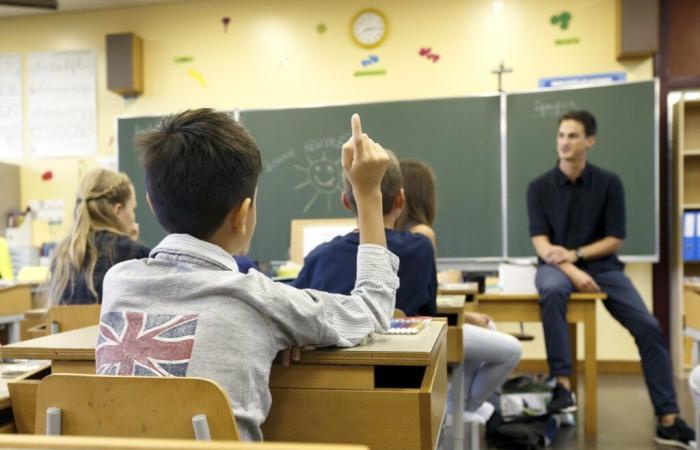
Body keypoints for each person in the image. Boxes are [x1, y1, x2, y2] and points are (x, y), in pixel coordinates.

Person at [96, 109, 399, 441]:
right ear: (242, 215)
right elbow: (371, 309)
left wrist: (273, 333)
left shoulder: (118, 281)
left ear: (152, 205)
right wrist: (369, 196)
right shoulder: (260, 300)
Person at [527, 110, 695, 448]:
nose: (564, 142)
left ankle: (668, 417)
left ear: (590, 141)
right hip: (556, 268)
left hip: (603, 267)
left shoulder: (609, 183)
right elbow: (541, 243)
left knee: (648, 326)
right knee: (551, 290)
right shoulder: (539, 187)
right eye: (561, 135)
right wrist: (571, 267)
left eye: (573, 136)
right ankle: (562, 386)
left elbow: (615, 238)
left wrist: (577, 256)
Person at [396, 158, 522, 424]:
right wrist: (466, 316)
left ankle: (462, 407)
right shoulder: (422, 235)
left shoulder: (388, 233)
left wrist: (466, 316)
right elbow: (427, 297)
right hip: (427, 331)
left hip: (408, 327)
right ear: (424, 195)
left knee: (478, 333)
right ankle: (461, 408)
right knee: (508, 348)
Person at [293, 151, 437, 316]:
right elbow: (430, 315)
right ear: (401, 199)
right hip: (402, 342)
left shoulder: (318, 258)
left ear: (346, 201)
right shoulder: (421, 249)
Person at [47, 168, 149, 305]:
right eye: (132, 209)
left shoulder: (61, 253)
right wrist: (132, 247)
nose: (133, 216)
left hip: (72, 327)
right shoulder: (135, 254)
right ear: (117, 210)